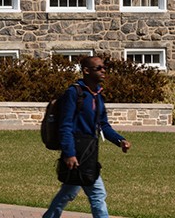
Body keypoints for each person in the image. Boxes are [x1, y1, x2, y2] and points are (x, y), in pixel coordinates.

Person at [42, 55, 132, 218]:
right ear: (86, 71)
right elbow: (65, 125)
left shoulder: (98, 96)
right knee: (97, 195)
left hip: (89, 152)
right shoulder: (74, 93)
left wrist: (120, 140)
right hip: (77, 152)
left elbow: (103, 125)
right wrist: (69, 153)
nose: (103, 71)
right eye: (99, 68)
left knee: (67, 193)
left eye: (104, 68)